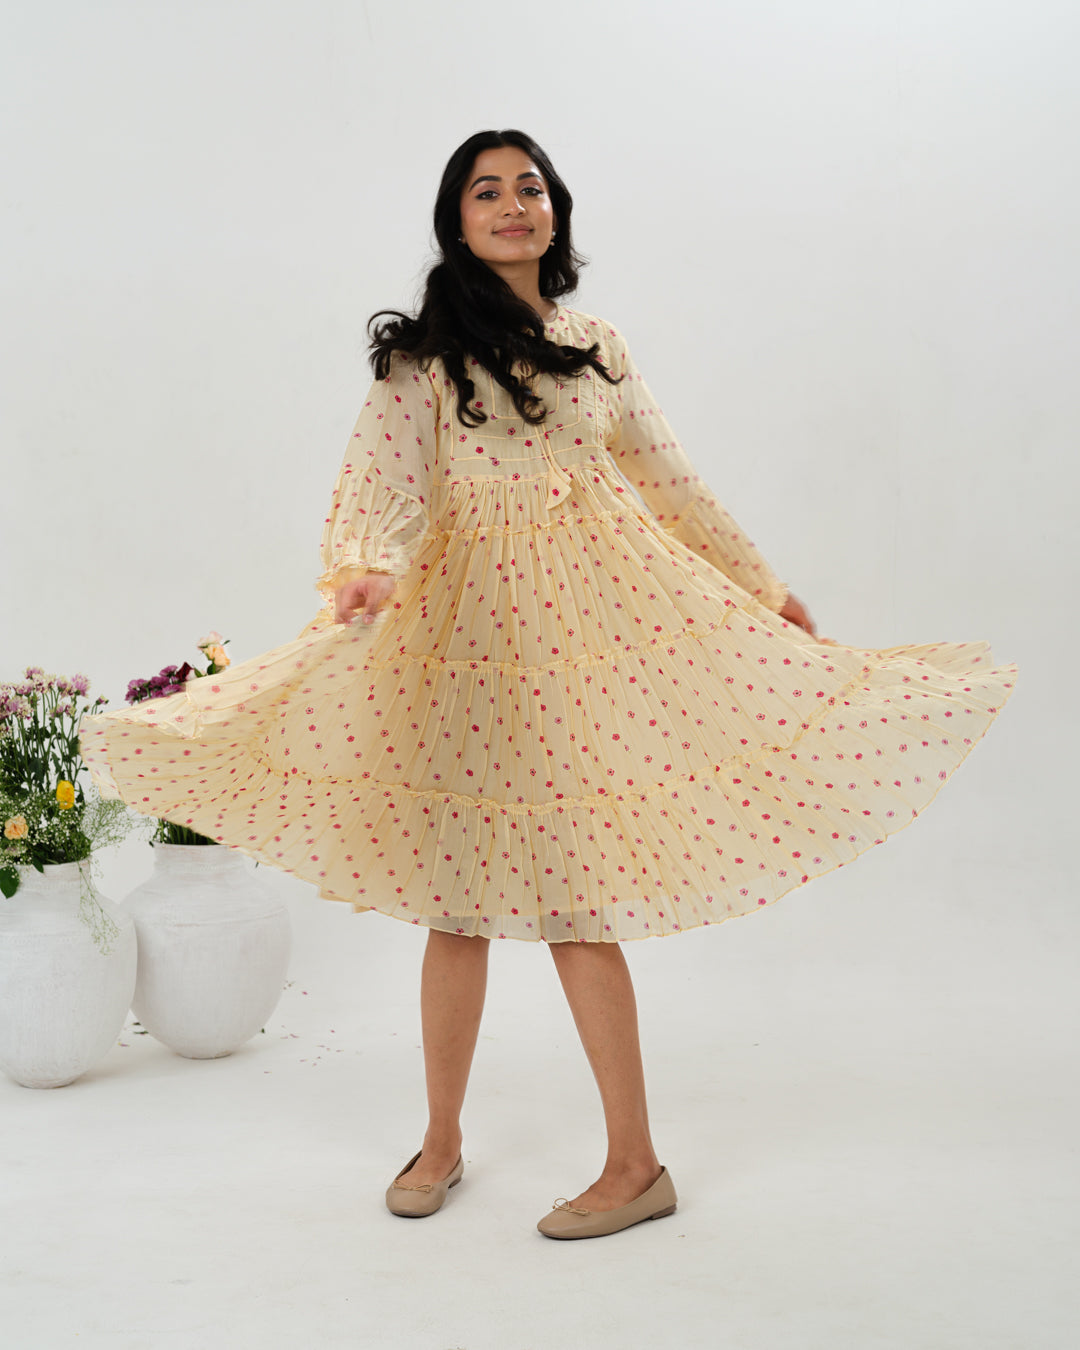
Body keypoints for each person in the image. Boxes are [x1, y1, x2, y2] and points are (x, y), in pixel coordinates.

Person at [81, 129, 1018, 1241]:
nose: (514, 205)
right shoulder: (425, 359)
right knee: (457, 903)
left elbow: (671, 480)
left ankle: (636, 1164)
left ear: (555, 211)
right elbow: (385, 480)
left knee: (577, 895)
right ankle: (441, 1140)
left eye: (530, 188)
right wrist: (367, 567)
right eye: (488, 192)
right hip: (469, 641)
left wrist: (760, 585)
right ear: (458, 221)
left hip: (588, 638)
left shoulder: (595, 345)